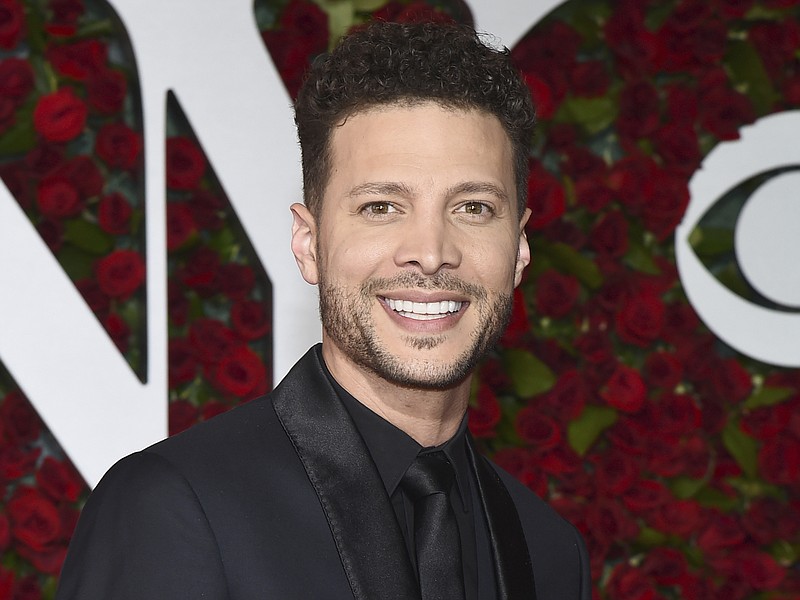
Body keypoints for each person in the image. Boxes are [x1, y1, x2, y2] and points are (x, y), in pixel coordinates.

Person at [56, 21, 590, 600]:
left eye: (474, 207)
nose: (432, 253)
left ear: (519, 249)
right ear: (310, 243)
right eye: (382, 206)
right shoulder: (174, 506)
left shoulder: (549, 550)